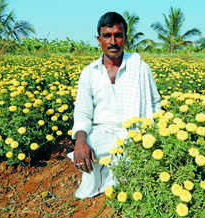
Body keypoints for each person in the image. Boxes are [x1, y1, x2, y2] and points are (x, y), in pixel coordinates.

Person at [67, 12, 161, 199]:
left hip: (134, 135)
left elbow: (155, 104)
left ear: (125, 38)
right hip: (102, 134)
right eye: (107, 36)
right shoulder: (89, 73)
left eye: (118, 35)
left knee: (133, 163)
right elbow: (82, 112)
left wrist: (155, 136)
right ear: (98, 39)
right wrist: (80, 142)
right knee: (88, 153)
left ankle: (116, 179)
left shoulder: (140, 68)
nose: (113, 41)